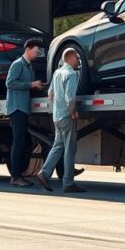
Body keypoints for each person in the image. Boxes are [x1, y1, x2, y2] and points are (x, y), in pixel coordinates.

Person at [35, 47, 86, 193]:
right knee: (70, 149)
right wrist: (73, 111)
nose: (78, 60)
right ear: (69, 58)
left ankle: (44, 173)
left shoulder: (57, 73)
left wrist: (57, 108)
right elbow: (70, 97)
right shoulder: (71, 74)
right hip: (66, 116)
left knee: (58, 146)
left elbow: (50, 94)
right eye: (76, 58)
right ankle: (68, 183)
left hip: (57, 116)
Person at [6, 38, 45, 188]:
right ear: (28, 49)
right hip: (16, 109)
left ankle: (19, 174)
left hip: (24, 108)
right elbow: (9, 83)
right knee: (18, 143)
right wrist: (31, 84)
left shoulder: (29, 67)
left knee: (24, 142)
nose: (37, 54)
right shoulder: (17, 65)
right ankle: (15, 177)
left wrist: (37, 86)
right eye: (36, 51)